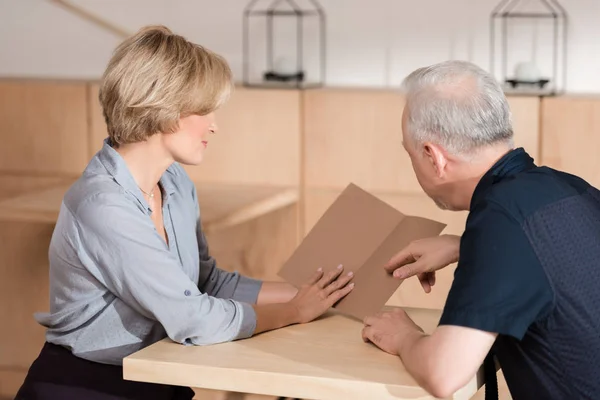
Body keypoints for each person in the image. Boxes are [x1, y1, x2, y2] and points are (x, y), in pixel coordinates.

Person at [16, 25, 354, 400]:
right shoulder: (102, 205)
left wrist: (309, 293)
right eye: (204, 109)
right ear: (162, 107)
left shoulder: (174, 183)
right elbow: (192, 317)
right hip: (85, 388)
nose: (214, 124)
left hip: (157, 378)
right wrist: (293, 312)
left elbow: (206, 284)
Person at [361, 60, 600, 399]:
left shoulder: (499, 221)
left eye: (411, 153)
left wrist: (403, 337)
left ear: (433, 156)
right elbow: (562, 259)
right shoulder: (570, 189)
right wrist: (464, 246)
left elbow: (444, 374)